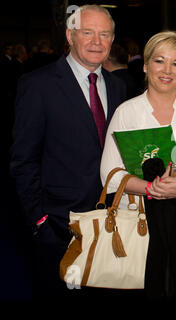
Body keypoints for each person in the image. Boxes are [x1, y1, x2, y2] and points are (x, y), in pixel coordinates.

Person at [10, 5, 126, 300]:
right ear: (70, 35)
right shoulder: (37, 85)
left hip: (110, 222)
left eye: (104, 34)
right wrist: (40, 222)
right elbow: (23, 162)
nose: (96, 41)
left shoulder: (119, 87)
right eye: (87, 32)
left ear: (112, 40)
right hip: (60, 227)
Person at [100, 31, 176, 299]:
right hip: (140, 224)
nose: (167, 70)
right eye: (160, 61)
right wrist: (150, 188)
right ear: (145, 66)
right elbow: (109, 176)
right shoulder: (127, 112)